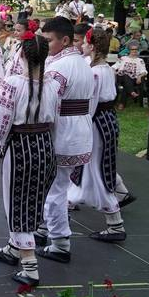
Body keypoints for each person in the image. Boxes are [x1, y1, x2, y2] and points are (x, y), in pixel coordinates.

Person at [0, 30, 57, 287]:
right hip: (44, 148)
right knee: (32, 202)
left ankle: (30, 267)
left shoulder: (13, 84)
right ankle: (13, 248)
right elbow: (56, 123)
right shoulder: (52, 84)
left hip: (22, 147)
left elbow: (1, 123)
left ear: (20, 54)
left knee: (18, 204)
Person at [35, 17, 94, 265]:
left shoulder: (60, 67)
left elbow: (47, 102)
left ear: (65, 40)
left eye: (49, 41)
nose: (45, 45)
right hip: (79, 130)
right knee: (57, 185)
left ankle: (60, 242)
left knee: (55, 189)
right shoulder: (80, 63)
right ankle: (46, 228)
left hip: (63, 133)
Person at [69, 28, 129, 243]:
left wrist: (80, 127)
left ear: (92, 46)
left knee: (97, 172)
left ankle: (115, 224)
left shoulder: (95, 73)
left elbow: (91, 106)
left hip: (97, 125)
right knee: (92, 169)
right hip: (106, 122)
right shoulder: (104, 68)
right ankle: (69, 200)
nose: (82, 46)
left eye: (84, 43)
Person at [113, 41, 147, 108]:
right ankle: (132, 92)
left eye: (136, 49)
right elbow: (114, 67)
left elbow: (144, 71)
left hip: (133, 79)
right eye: (132, 49)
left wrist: (140, 76)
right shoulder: (123, 58)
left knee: (126, 84)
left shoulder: (140, 60)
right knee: (125, 75)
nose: (134, 51)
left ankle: (122, 104)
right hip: (121, 77)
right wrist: (113, 72)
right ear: (129, 50)